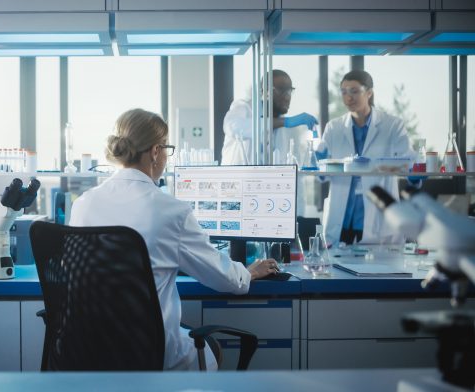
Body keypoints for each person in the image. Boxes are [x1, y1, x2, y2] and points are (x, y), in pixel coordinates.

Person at [69, 108, 279, 371]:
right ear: (156, 152)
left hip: (88, 351)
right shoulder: (171, 211)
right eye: (167, 148)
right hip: (149, 352)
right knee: (210, 347)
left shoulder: (84, 204)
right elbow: (223, 278)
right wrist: (247, 273)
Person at [317, 70, 416, 246]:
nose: (348, 97)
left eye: (354, 91)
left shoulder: (392, 125)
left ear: (369, 93)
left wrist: (414, 175)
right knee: (336, 270)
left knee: (379, 270)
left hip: (377, 216)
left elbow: (409, 163)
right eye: (344, 92)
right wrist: (319, 164)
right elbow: (322, 174)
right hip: (342, 217)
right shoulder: (334, 128)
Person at [222, 69, 318, 216]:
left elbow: (294, 174)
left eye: (289, 91)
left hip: (270, 204)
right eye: (281, 90)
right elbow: (232, 127)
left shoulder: (288, 129)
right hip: (239, 195)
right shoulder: (244, 108)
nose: (287, 97)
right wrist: (284, 122)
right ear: (263, 91)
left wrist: (298, 216)